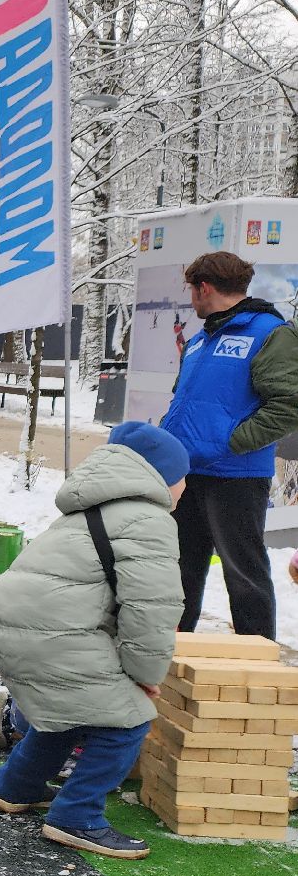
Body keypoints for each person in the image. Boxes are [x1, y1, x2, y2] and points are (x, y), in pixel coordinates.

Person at [0, 422, 189, 860]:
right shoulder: (148, 521)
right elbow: (152, 608)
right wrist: (145, 677)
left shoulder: (87, 508)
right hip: (53, 635)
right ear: (158, 476)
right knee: (129, 719)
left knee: (71, 712)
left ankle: (15, 787)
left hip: (15, 628)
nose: (185, 486)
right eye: (182, 476)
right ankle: (76, 816)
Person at [158, 251, 298, 640]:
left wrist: (231, 443)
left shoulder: (269, 333)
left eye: (191, 290)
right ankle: (166, 659)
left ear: (204, 288)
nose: (191, 299)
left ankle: (256, 662)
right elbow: (184, 403)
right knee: (179, 570)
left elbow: (289, 405)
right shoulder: (202, 340)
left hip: (236, 477)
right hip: (187, 474)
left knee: (244, 573)